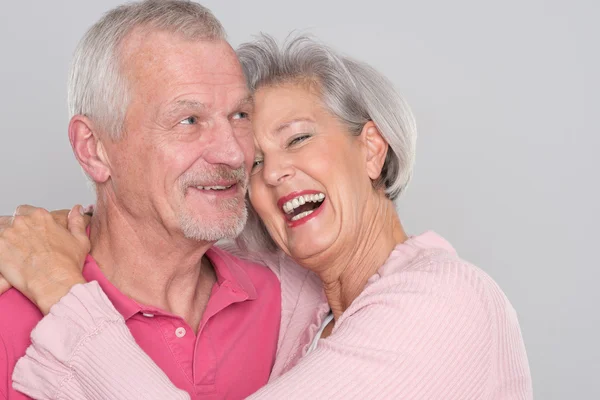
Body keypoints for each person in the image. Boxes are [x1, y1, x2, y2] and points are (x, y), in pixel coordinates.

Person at [0, 28, 534, 400]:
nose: (272, 173)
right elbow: (153, 224)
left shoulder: (445, 302)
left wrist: (55, 281)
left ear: (372, 149)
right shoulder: (305, 299)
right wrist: (39, 235)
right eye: (255, 161)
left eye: (298, 138)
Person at [0, 1, 285, 399]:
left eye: (239, 115)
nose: (234, 154)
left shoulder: (278, 298)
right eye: (189, 121)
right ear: (94, 148)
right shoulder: (10, 321)